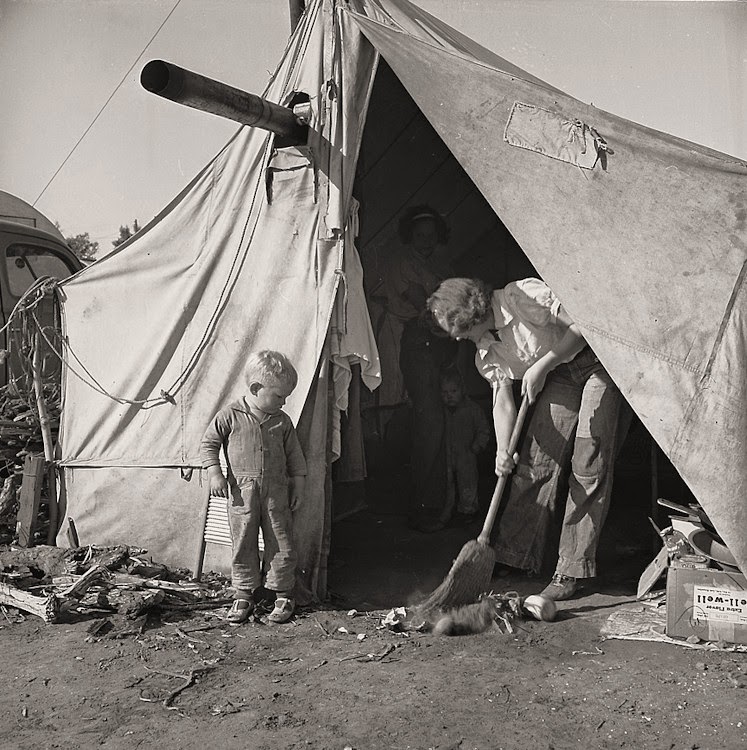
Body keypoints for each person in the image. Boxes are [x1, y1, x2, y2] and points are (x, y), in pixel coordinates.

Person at [427, 277, 624, 601]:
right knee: (536, 461)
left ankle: (570, 570)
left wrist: (543, 365)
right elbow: (502, 400)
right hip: (560, 375)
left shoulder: (521, 296)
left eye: (455, 327)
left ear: (468, 314)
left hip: (597, 361)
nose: (455, 337)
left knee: (588, 462)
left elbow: (581, 327)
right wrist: (503, 451)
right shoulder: (485, 352)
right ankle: (515, 555)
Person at [200, 350, 307, 624]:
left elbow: (295, 457)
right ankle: (243, 594)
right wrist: (215, 474)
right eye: (279, 396)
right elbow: (208, 444)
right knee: (244, 542)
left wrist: (299, 485)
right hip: (241, 495)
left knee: (281, 541)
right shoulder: (230, 415)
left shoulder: (282, 421)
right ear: (256, 389)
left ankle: (283, 593)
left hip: (276, 494)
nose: (284, 402)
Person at [368, 204, 452, 409]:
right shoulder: (403, 262)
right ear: (410, 236)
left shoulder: (433, 262)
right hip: (396, 328)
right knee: (394, 385)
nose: (426, 242)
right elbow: (422, 302)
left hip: (421, 331)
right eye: (420, 236)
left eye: (431, 236)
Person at [437, 367, 491, 527]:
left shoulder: (472, 409)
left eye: (453, 391)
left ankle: (468, 510)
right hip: (447, 455)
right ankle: (448, 510)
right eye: (445, 392)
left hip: (467, 454)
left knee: (467, 483)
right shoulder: (441, 411)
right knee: (448, 482)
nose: (449, 396)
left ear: (462, 390)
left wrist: (478, 446)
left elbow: (484, 429)